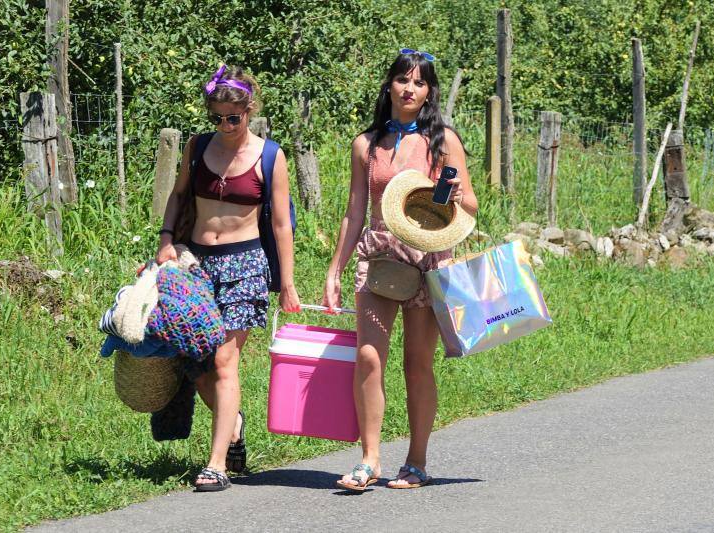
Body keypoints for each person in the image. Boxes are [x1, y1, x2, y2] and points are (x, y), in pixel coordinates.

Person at [322, 49, 478, 491]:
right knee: (369, 357)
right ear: (389, 84)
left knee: (417, 364)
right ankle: (369, 460)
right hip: (378, 259)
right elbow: (355, 212)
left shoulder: (442, 140)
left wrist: (451, 190)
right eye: (402, 80)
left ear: (429, 91)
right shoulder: (366, 144)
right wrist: (335, 270)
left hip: (428, 259)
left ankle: (416, 462)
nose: (410, 89)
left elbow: (469, 207)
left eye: (420, 82)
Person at [156, 65, 300, 491]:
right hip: (195, 264)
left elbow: (280, 224)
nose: (224, 125)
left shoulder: (270, 155)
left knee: (223, 360)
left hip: (245, 266)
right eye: (216, 117)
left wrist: (286, 282)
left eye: (232, 117)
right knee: (192, 364)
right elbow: (179, 195)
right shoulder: (198, 147)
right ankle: (232, 422)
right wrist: (166, 239)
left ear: (249, 109)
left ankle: (216, 464)